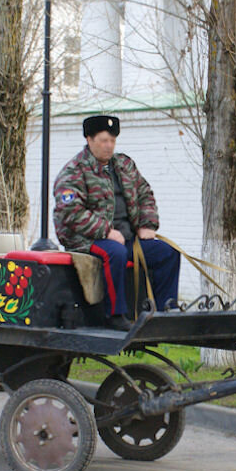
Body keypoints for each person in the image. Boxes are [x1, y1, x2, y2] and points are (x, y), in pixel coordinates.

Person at [53, 115, 181, 330]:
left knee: (168, 253)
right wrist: (105, 231)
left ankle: (164, 311)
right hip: (85, 239)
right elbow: (70, 212)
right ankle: (115, 315)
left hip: (127, 237)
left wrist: (147, 224)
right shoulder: (74, 171)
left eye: (112, 141)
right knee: (115, 253)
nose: (109, 146)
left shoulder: (124, 165)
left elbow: (144, 193)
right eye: (103, 140)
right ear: (89, 139)